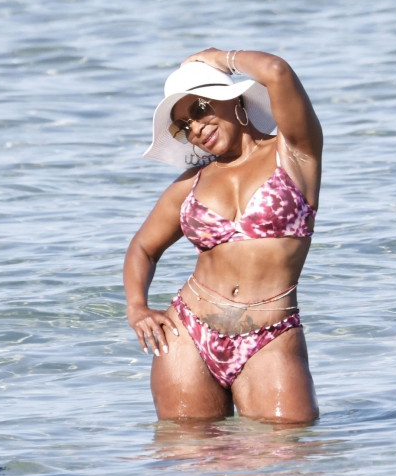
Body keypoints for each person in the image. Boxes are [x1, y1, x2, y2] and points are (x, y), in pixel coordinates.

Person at [124, 48, 321, 424]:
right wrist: (137, 307)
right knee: (190, 467)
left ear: (233, 101)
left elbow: (277, 71)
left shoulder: (294, 155)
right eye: (183, 126)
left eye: (199, 109)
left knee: (289, 454)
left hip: (272, 333)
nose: (195, 127)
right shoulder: (190, 184)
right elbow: (143, 248)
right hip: (187, 333)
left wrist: (221, 57)